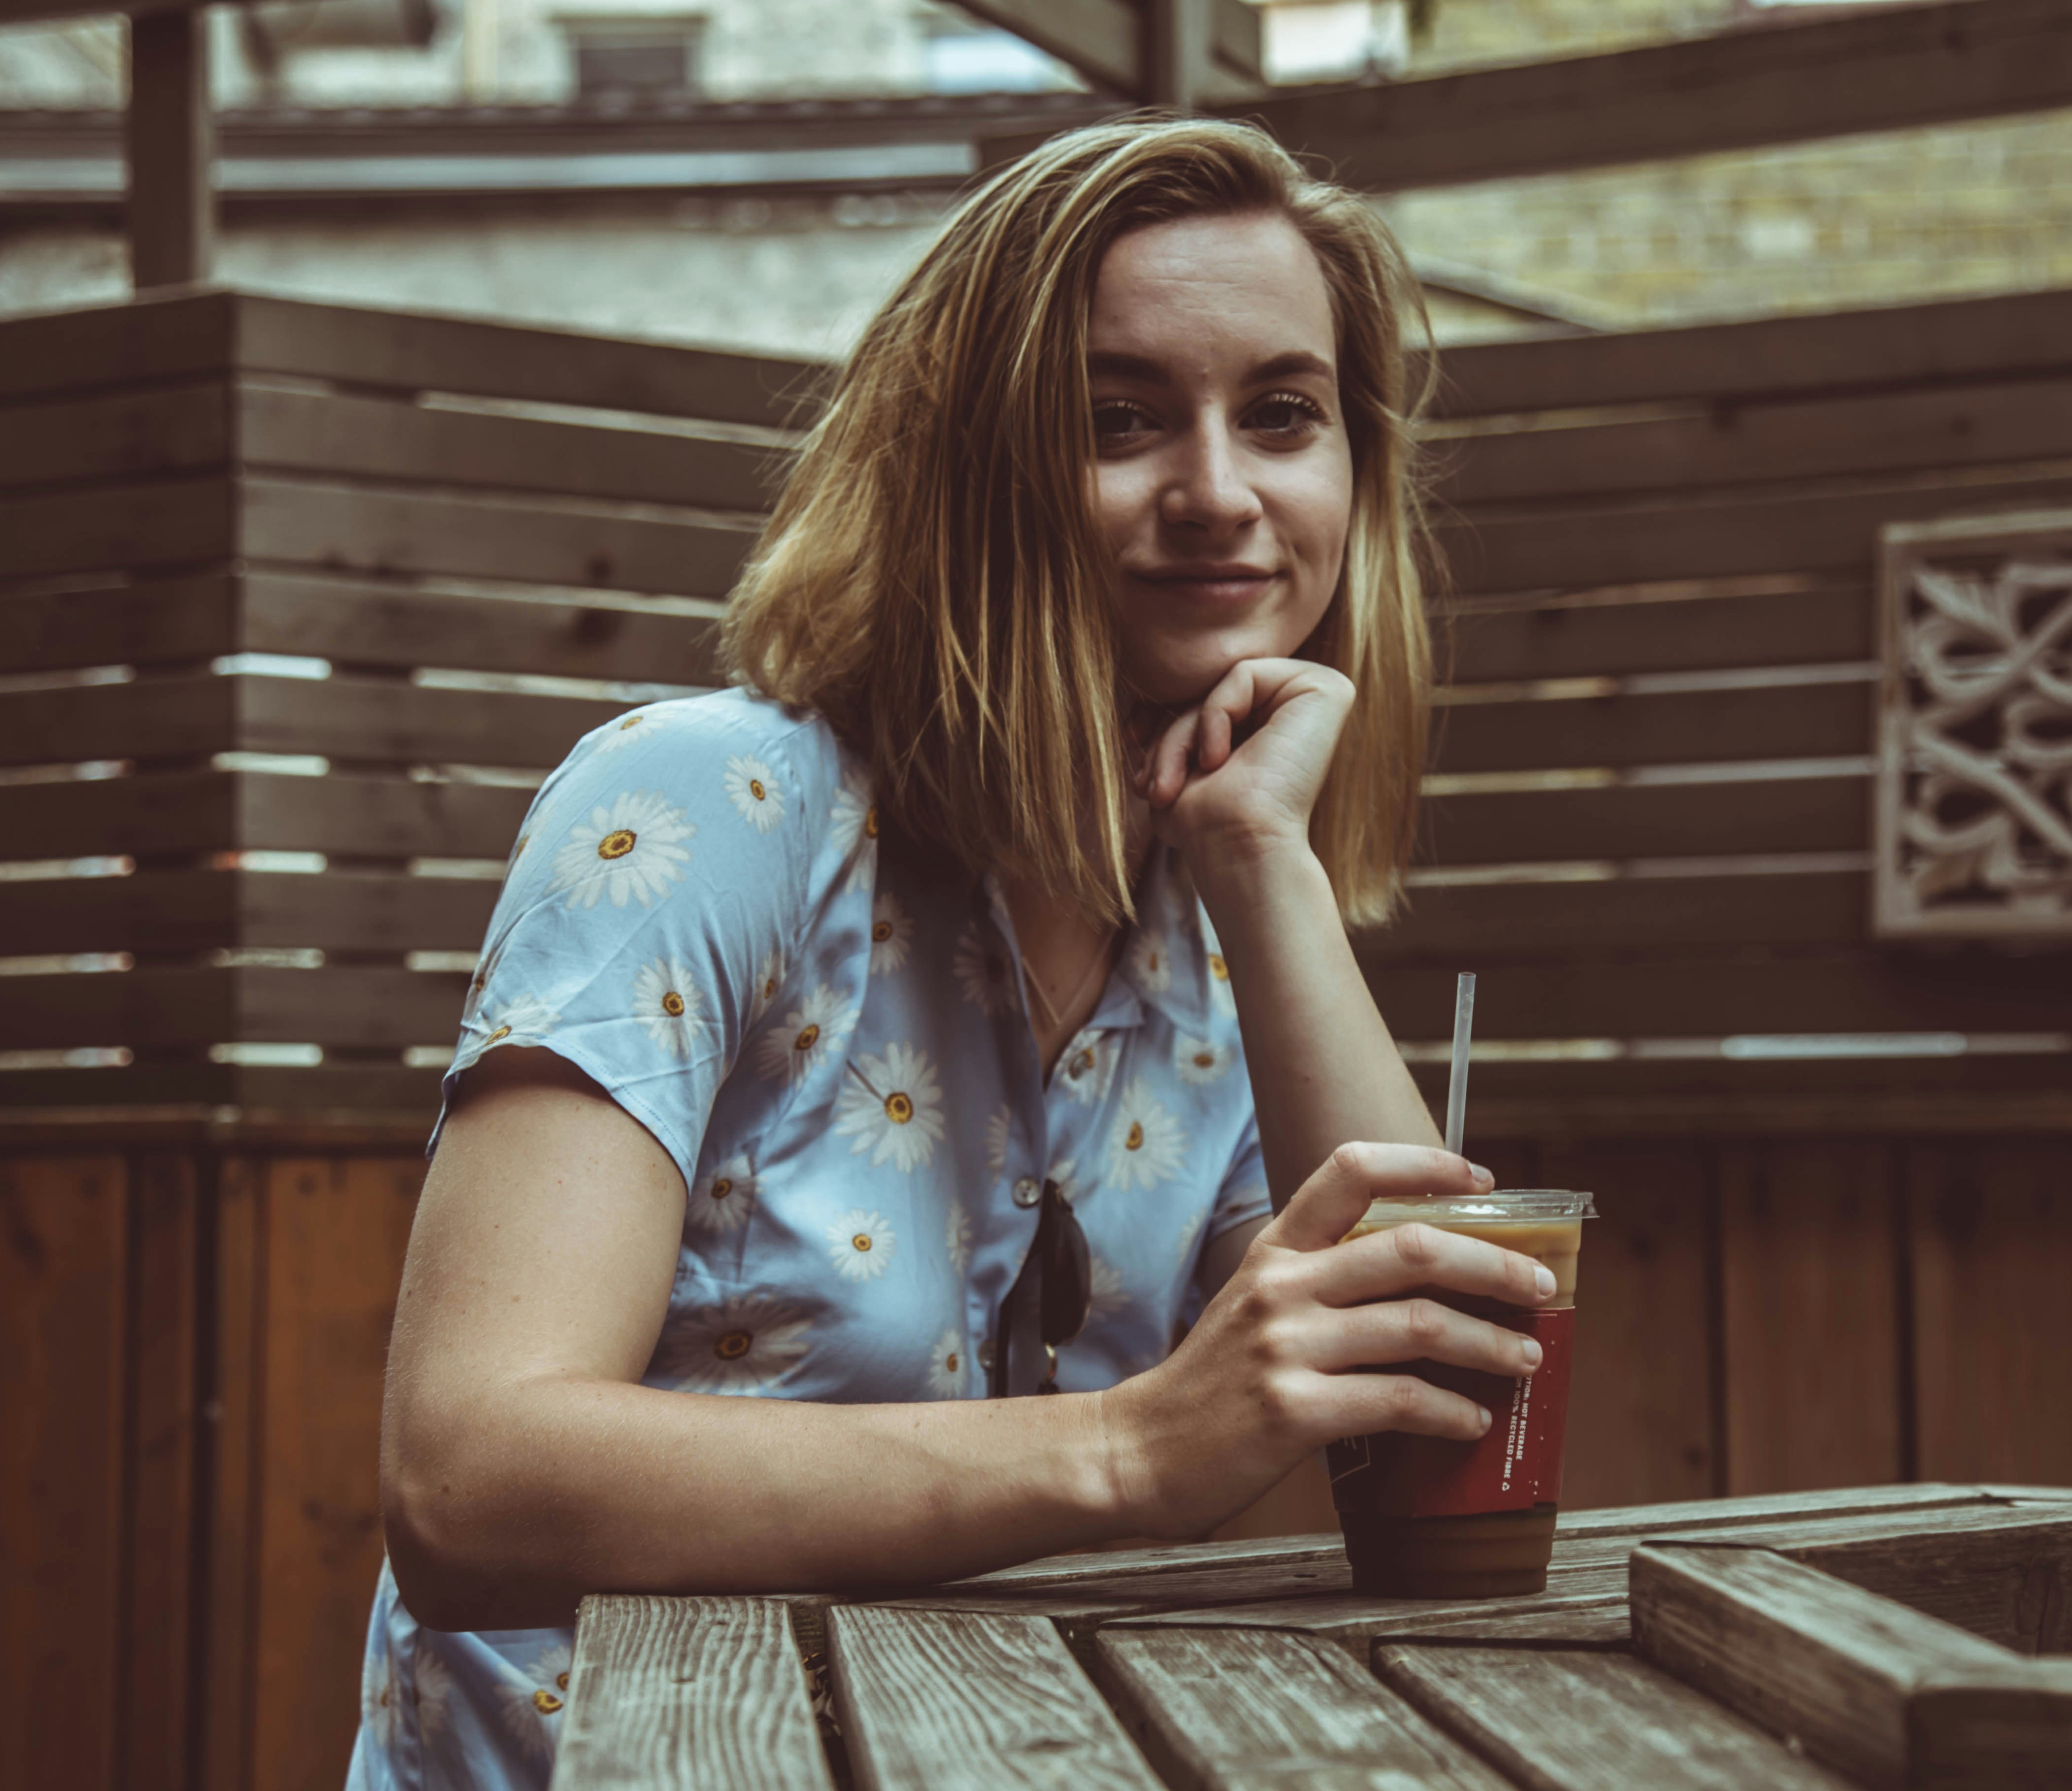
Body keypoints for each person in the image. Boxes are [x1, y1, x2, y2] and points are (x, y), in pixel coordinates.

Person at [348, 113, 1556, 1790]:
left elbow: (1444, 1404)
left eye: (1283, 414)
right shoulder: (709, 805)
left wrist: (1266, 865)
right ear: (969, 467)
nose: (1219, 492)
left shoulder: (1213, 934)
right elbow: (465, 1488)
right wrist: (1134, 1448)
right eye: (1117, 420)